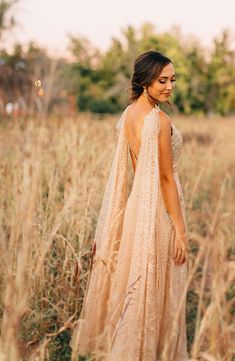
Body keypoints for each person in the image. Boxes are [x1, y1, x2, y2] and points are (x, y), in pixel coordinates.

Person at [70, 50, 189, 361]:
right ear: (145, 81)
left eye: (172, 80)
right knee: (156, 281)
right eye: (162, 80)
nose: (169, 86)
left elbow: (139, 171)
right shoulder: (159, 120)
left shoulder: (128, 115)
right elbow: (164, 178)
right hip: (161, 209)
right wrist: (180, 230)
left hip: (140, 205)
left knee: (141, 280)